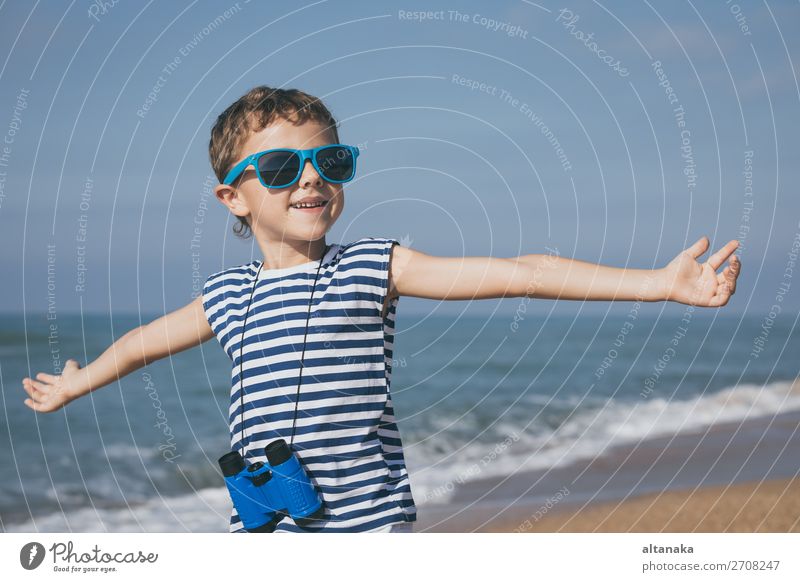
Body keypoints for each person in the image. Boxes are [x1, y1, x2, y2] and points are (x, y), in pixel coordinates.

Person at [21, 85, 741, 533]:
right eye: (279, 168)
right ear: (233, 198)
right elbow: (145, 342)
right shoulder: (227, 297)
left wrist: (657, 282)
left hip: (369, 533)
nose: (310, 179)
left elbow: (524, 272)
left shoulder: (373, 267)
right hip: (264, 526)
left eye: (329, 163)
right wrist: (78, 383)